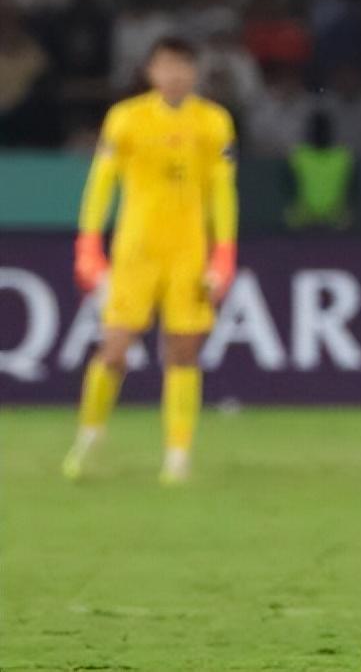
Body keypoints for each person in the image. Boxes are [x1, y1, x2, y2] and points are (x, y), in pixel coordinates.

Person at [62, 36, 238, 485]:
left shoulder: (214, 122)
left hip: (188, 253)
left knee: (183, 350)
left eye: (183, 66)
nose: (174, 75)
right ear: (151, 71)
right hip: (135, 251)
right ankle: (89, 437)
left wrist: (223, 254)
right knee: (114, 348)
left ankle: (177, 455)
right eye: (166, 66)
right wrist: (88, 244)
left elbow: (222, 193)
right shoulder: (126, 118)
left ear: (194, 72)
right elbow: (101, 184)